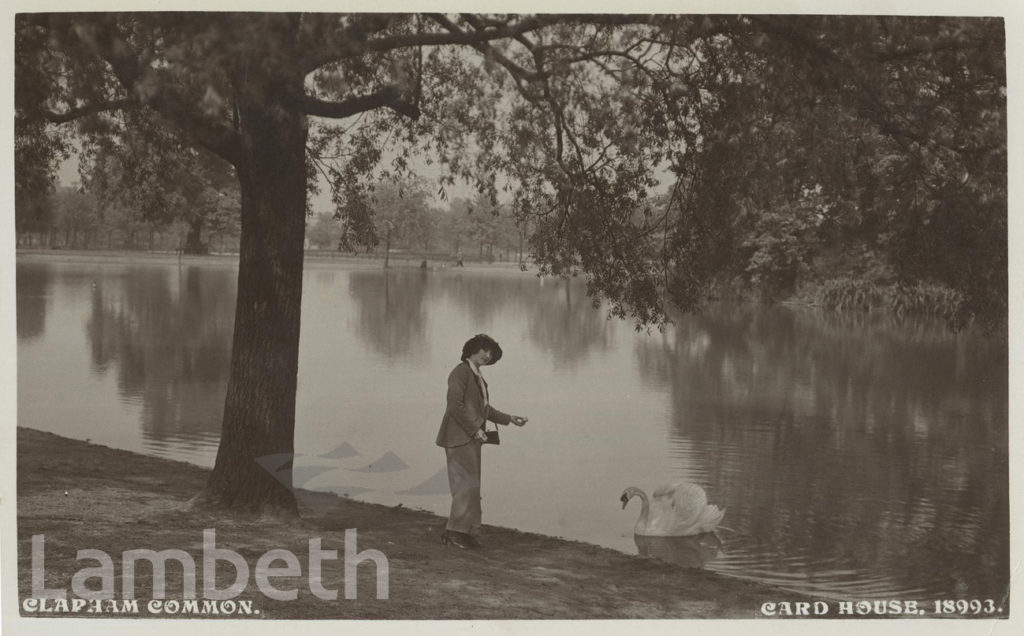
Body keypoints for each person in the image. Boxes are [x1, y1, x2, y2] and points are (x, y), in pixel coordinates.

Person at [436, 334, 527, 548]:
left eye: (491, 353)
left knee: (472, 486)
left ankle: (465, 532)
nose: (487, 355)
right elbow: (454, 406)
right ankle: (454, 532)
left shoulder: (476, 375)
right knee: (464, 485)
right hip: (459, 438)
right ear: (472, 349)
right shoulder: (460, 372)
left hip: (472, 437)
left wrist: (509, 419)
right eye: (484, 350)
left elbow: (484, 409)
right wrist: (475, 429)